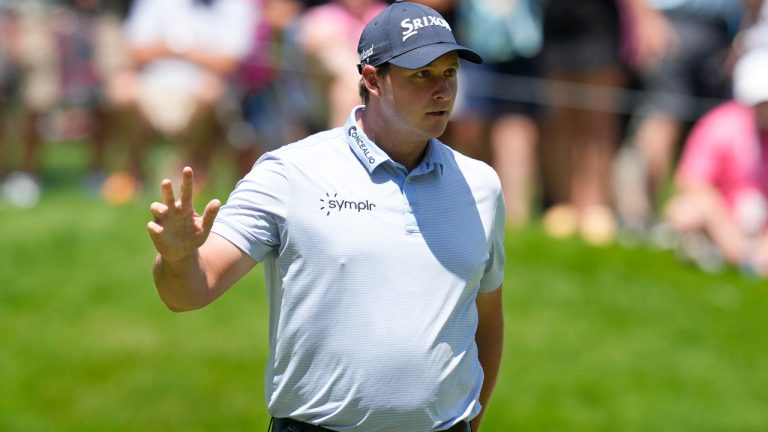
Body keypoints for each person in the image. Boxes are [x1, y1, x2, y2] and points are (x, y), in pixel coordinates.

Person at [147, 1, 505, 431]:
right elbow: (189, 293)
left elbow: (486, 319)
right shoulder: (290, 172)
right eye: (421, 75)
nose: (443, 91)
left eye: (449, 73)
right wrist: (178, 258)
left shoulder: (480, 185)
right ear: (371, 79)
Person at [663, 49, 768, 275]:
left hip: (760, 225)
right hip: (723, 217)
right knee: (686, 211)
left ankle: (743, 258)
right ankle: (735, 256)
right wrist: (727, 229)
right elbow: (692, 182)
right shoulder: (721, 125)